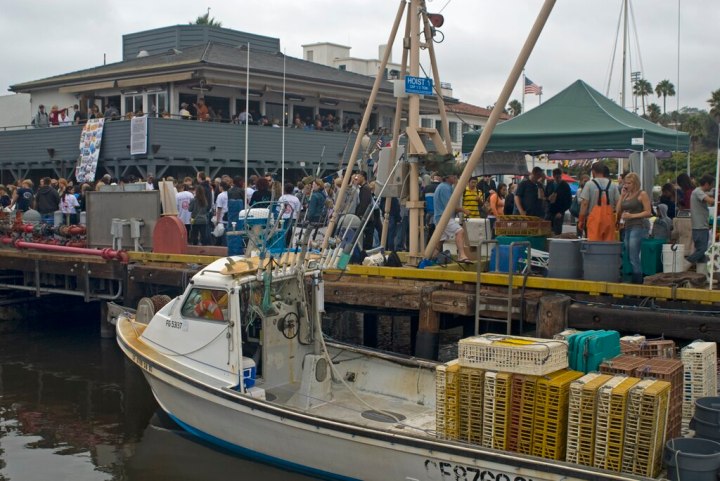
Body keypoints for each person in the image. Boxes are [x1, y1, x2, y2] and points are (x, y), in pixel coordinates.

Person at [616, 172, 652, 283]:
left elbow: (648, 212)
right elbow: (618, 210)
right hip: (627, 226)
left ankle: (637, 280)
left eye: (629, 183)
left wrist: (632, 215)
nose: (626, 185)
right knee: (627, 251)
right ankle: (634, 277)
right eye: (625, 183)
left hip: (638, 225)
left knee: (633, 254)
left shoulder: (642, 194)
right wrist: (621, 196)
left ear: (635, 183)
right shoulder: (626, 194)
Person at [433, 168, 472, 263]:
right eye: (452, 175)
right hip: (444, 218)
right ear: (447, 178)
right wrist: (464, 210)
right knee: (460, 231)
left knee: (438, 244)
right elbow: (450, 206)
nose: (455, 177)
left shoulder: (444, 187)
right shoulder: (445, 188)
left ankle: (429, 259)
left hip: (440, 217)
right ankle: (461, 256)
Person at [578, 162, 619, 241]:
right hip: (609, 219)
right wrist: (618, 219)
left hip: (594, 220)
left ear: (593, 172)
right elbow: (618, 203)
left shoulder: (589, 184)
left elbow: (584, 203)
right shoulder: (613, 185)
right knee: (608, 245)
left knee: (594, 245)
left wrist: (581, 220)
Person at [686, 175, 715, 264]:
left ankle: (701, 273)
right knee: (702, 250)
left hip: (701, 226)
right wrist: (715, 198)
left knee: (702, 256)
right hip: (700, 227)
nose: (712, 187)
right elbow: (710, 201)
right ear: (706, 184)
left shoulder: (698, 192)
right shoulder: (698, 192)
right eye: (711, 185)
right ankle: (685, 262)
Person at [546, 168, 573, 235]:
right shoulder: (549, 184)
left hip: (559, 212)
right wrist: (548, 198)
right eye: (556, 177)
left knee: (557, 232)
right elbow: (545, 196)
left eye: (559, 177)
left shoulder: (565, 186)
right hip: (549, 212)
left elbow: (569, 201)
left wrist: (561, 212)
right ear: (553, 176)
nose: (558, 179)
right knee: (547, 231)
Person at [354, 171, 377, 251]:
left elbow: (364, 203)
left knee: (367, 239)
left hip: (366, 218)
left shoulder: (365, 189)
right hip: (366, 217)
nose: (356, 178)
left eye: (358, 176)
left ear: (363, 177)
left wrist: (360, 216)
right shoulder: (363, 188)